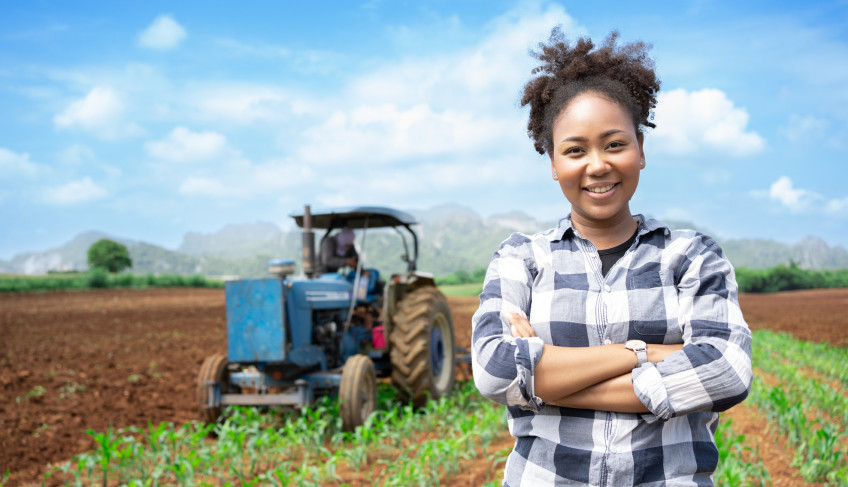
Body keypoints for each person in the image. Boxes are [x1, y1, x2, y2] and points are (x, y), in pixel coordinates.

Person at [471, 28, 752, 486]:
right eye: (575, 150)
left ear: (640, 149)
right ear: (553, 163)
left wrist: (543, 384)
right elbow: (496, 370)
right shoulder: (521, 258)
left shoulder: (693, 256)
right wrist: (644, 353)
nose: (597, 164)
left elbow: (725, 371)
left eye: (615, 144)